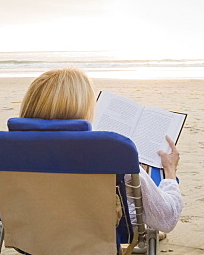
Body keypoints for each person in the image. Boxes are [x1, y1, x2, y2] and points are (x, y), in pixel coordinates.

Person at [19, 67, 183, 233]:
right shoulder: (112, 154)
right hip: (97, 237)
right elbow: (167, 219)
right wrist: (170, 171)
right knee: (151, 175)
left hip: (36, 234)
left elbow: (5, 203)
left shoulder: (11, 151)